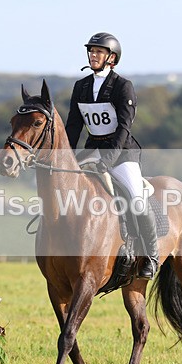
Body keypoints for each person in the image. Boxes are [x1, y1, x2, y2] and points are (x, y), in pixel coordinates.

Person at [65, 32, 159, 280]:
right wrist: (65, 158)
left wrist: (106, 162)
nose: (93, 55)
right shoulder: (81, 86)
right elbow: (73, 127)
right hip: (92, 149)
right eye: (91, 51)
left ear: (112, 58)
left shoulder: (122, 86)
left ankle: (151, 255)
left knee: (136, 197)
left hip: (121, 153)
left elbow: (123, 128)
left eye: (98, 52)